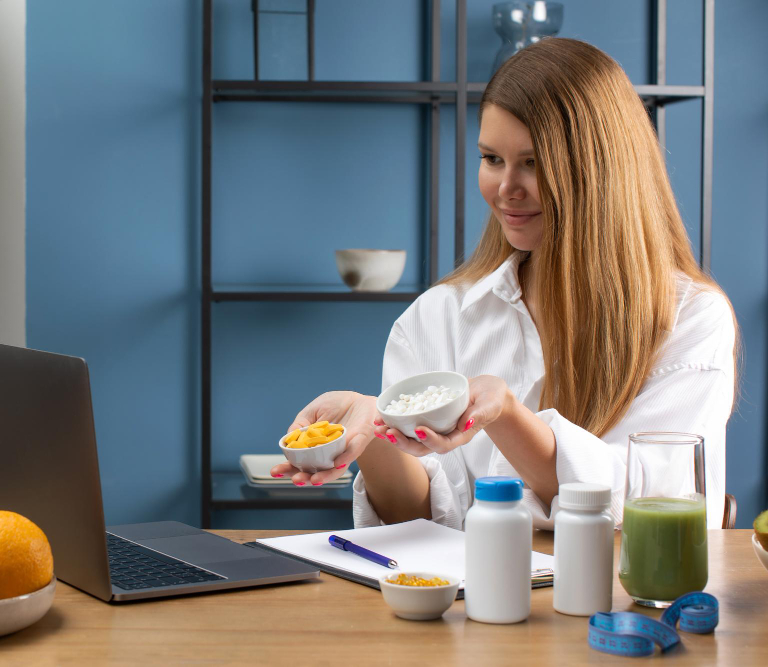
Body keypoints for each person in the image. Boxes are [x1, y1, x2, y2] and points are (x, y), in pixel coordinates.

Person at [270, 38, 738, 531]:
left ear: (601, 172)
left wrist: (508, 416)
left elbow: (657, 504)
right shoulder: (436, 318)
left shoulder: (689, 317)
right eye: (492, 158)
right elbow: (420, 519)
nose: (506, 188)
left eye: (533, 163)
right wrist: (373, 434)